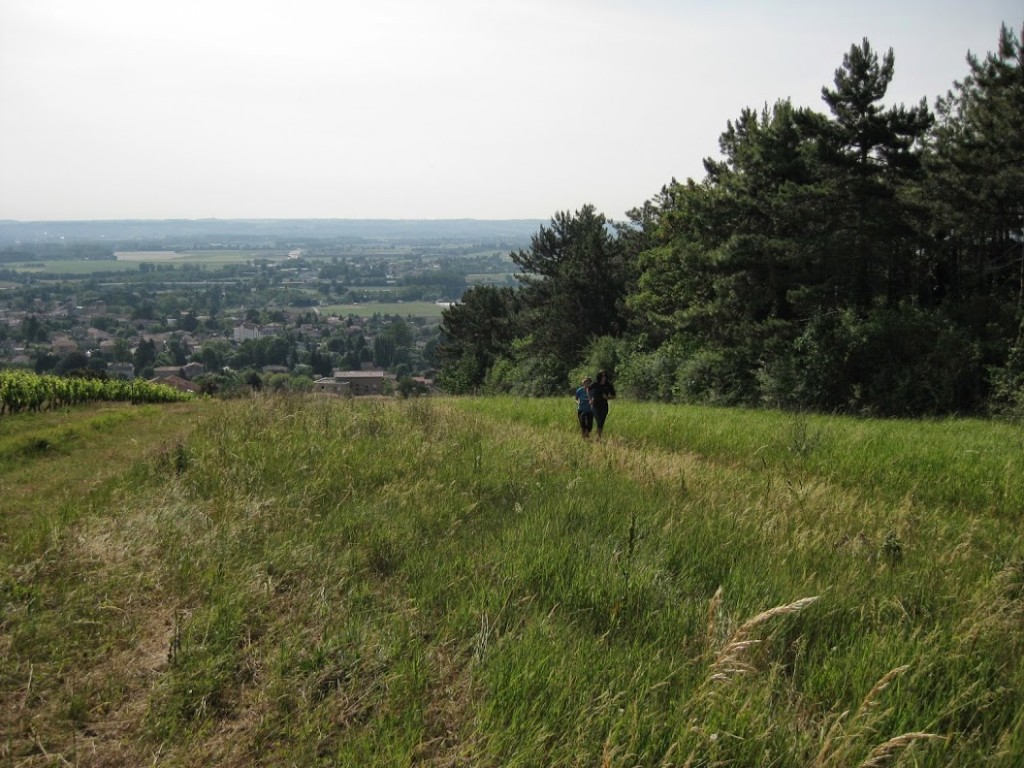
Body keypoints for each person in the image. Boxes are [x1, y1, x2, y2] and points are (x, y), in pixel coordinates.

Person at [589, 369, 616, 440]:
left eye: (605, 376)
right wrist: (591, 399)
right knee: (598, 420)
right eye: (602, 375)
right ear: (599, 376)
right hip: (595, 405)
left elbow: (614, 396)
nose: (603, 377)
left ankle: (598, 437)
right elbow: (588, 390)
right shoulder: (595, 384)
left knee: (601, 421)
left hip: (604, 405)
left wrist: (607, 397)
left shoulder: (609, 385)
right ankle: (598, 436)